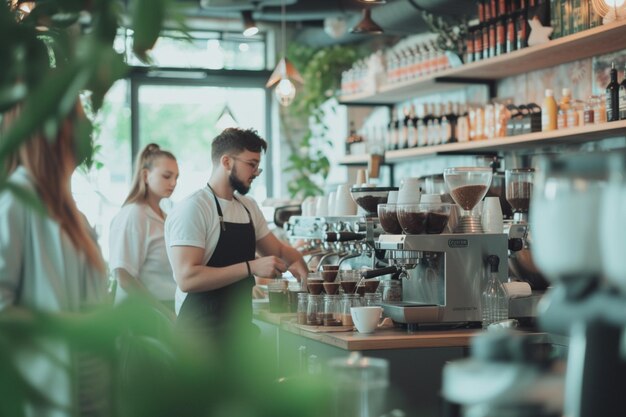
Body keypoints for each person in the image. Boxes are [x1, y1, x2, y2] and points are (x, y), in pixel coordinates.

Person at [0, 102, 108, 416]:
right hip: (48, 395)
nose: (87, 127)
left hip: (91, 389)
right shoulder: (14, 204)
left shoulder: (72, 211)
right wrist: (79, 325)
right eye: (77, 118)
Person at [164, 128, 308, 340]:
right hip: (198, 337)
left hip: (239, 332)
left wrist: (302, 267)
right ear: (226, 162)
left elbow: (278, 250)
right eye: (251, 164)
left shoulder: (248, 207)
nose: (256, 173)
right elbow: (187, 278)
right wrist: (252, 267)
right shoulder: (194, 208)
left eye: (258, 166)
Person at [109, 143, 179, 312]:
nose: (173, 183)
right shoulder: (133, 214)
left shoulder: (166, 216)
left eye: (177, 177)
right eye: (167, 176)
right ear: (146, 175)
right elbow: (124, 276)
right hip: (144, 315)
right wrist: (164, 314)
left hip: (167, 308)